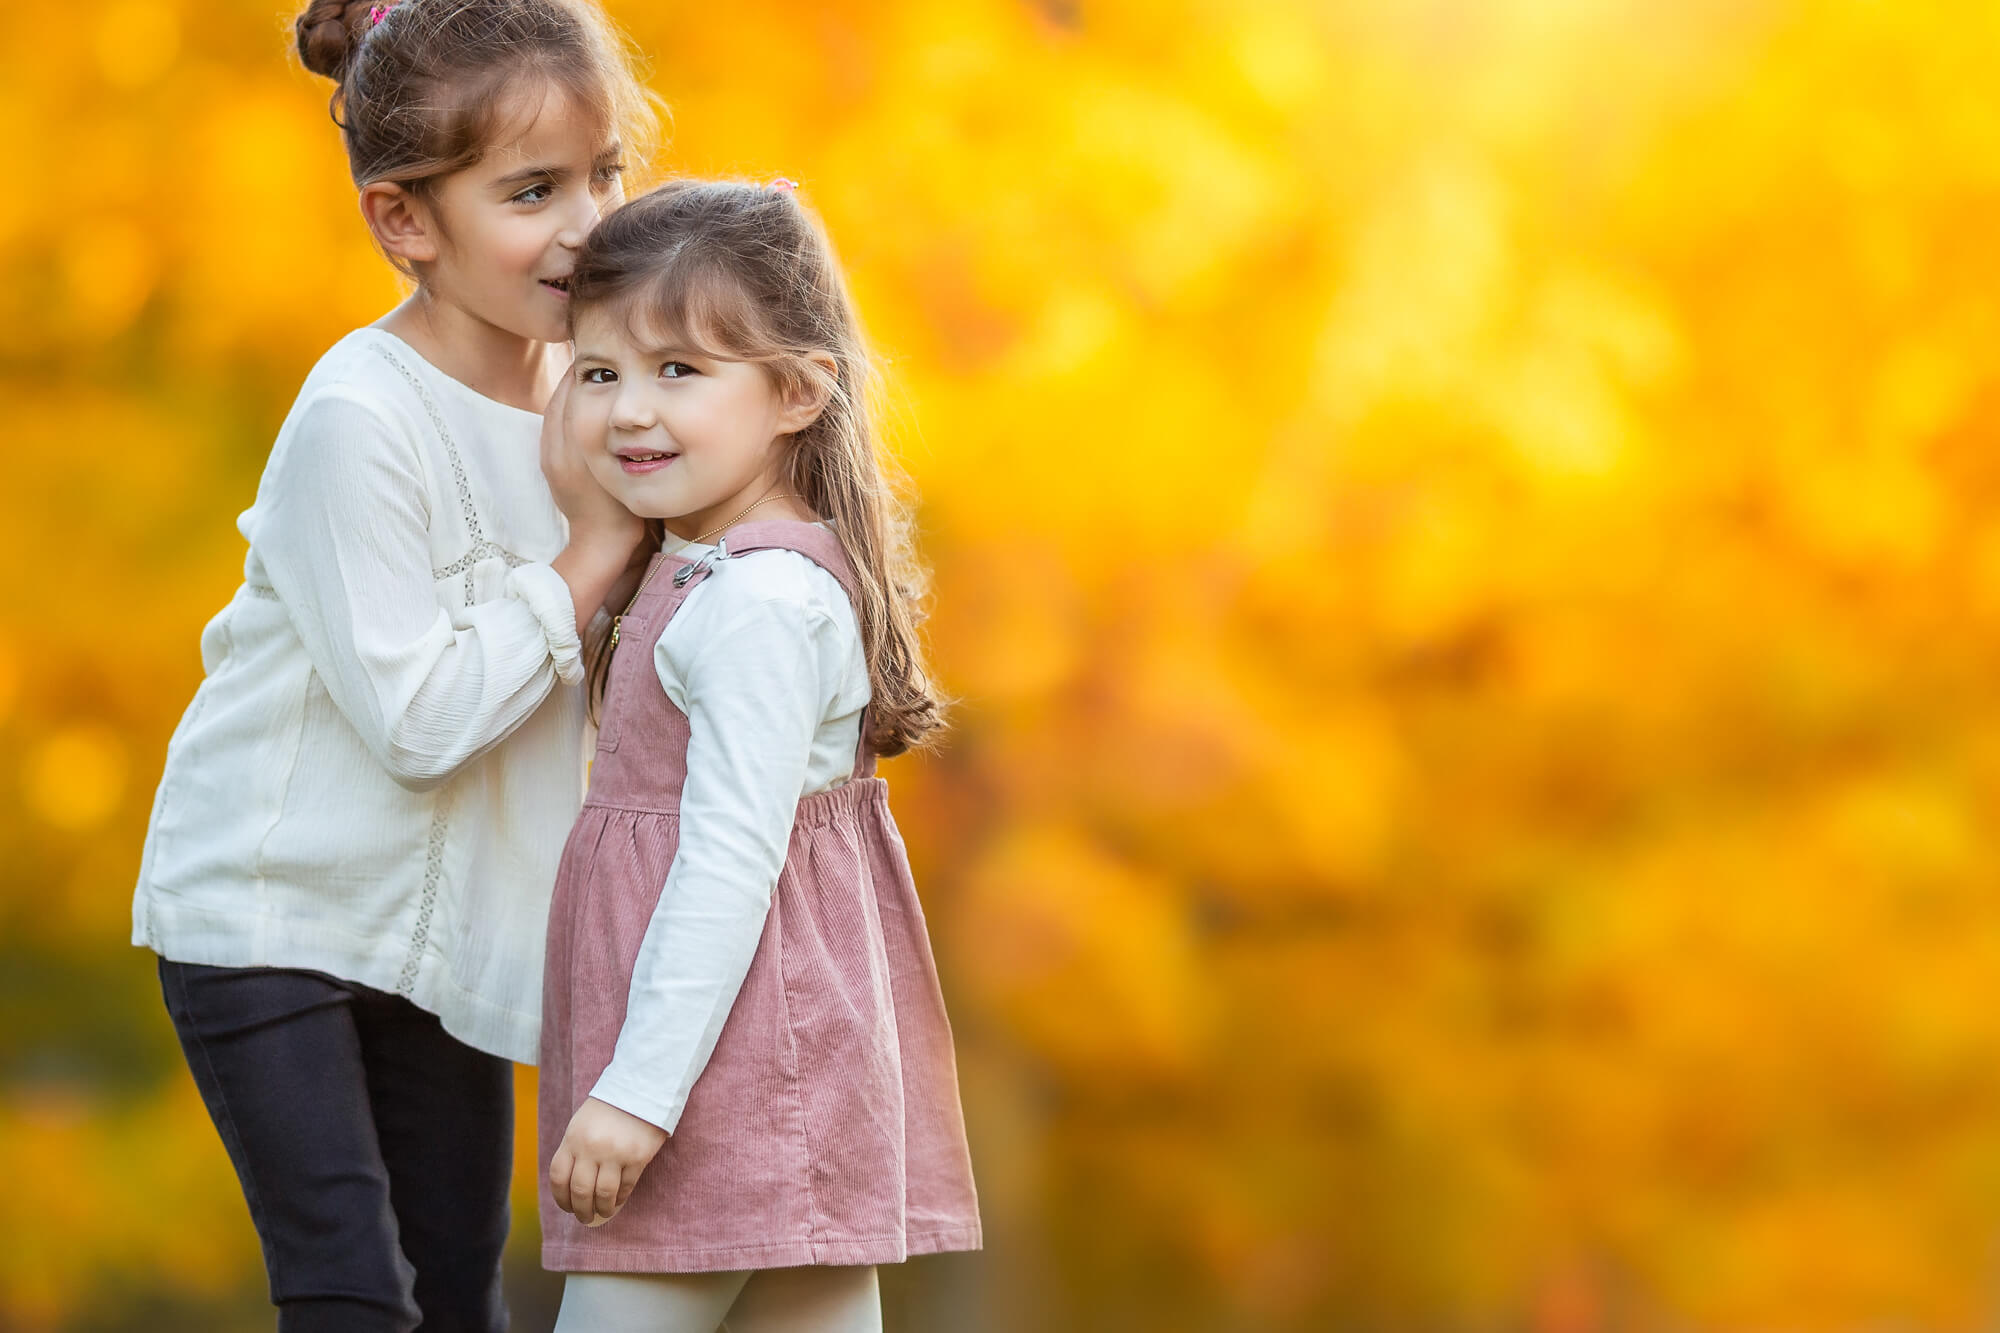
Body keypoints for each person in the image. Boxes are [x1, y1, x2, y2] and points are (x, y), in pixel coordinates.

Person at [129, 0, 655, 1327]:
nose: (585, 223)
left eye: (604, 175)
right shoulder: (358, 415)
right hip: (271, 913)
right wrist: (586, 560)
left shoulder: (593, 400)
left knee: (463, 1288)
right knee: (354, 1293)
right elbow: (419, 717)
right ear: (405, 221)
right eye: (532, 191)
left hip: (445, 930)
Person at [537, 178, 981, 1333]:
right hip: (773, 1072)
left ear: (794, 392)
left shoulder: (757, 602)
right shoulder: (697, 566)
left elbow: (731, 859)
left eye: (678, 370)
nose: (629, 411)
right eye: (599, 372)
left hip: (715, 1082)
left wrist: (635, 1098)